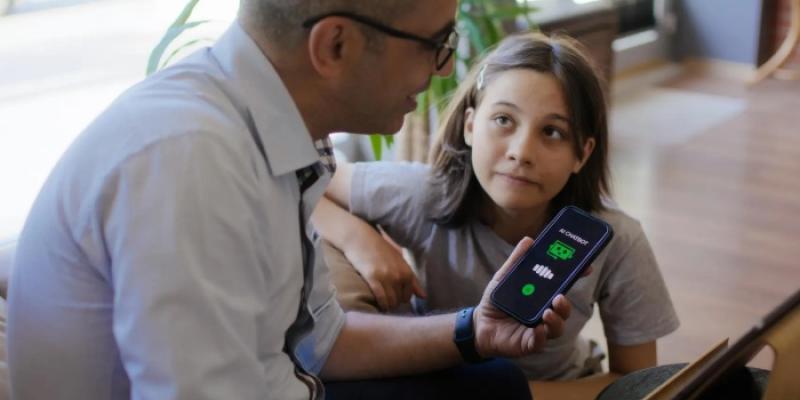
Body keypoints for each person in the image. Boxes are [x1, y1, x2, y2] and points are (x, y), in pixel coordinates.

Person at [6, 1, 576, 399]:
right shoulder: (191, 164)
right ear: (336, 45)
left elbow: (321, 341)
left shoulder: (275, 131)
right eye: (435, 45)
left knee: (495, 382)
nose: (446, 68)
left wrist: (474, 328)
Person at [313, 32, 680, 399]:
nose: (521, 152)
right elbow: (306, 179)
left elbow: (635, 380)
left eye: (552, 132)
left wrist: (508, 395)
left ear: (581, 155)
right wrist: (357, 239)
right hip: (444, 382)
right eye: (504, 119)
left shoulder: (619, 239)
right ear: (471, 126)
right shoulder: (420, 193)